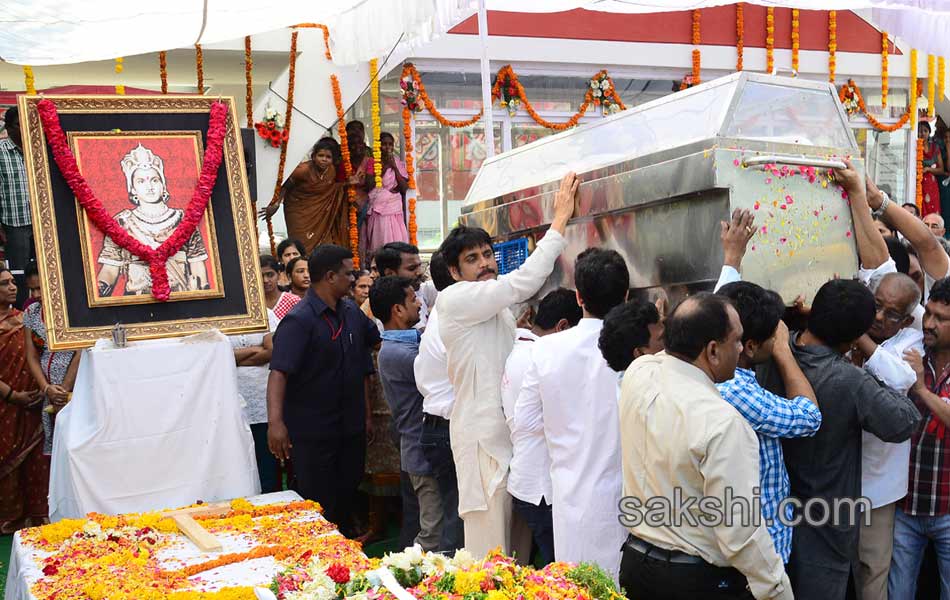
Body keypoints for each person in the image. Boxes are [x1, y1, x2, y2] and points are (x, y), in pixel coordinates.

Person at [435, 172, 577, 557]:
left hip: (511, 438)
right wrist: (560, 221)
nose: (484, 264)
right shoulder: (457, 299)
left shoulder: (495, 310)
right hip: (482, 440)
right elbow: (522, 283)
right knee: (490, 552)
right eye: (472, 259)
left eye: (486, 255)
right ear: (454, 272)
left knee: (517, 549)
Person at [754, 278, 921, 600]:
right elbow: (903, 421)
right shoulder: (849, 380)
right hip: (826, 524)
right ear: (851, 340)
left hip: (762, 519)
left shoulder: (766, 352)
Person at [618, 293, 791, 600]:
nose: (741, 349)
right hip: (694, 581)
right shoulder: (723, 422)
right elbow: (741, 533)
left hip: (635, 565)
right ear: (713, 350)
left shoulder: (638, 373)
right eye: (736, 341)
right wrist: (777, 589)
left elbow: (668, 354)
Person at [512, 248, 630, 575]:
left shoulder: (546, 350)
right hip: (627, 501)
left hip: (569, 497)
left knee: (575, 586)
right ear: (626, 295)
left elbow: (524, 423)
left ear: (578, 297)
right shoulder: (637, 351)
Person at [266, 244, 381, 534]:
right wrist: (275, 424)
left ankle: (345, 554)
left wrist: (367, 415)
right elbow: (279, 373)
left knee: (347, 490)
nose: (353, 279)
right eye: (348, 273)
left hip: (350, 427)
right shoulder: (299, 320)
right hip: (313, 432)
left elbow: (373, 347)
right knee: (318, 502)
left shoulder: (352, 313)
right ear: (330, 277)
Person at [715, 281, 821, 564]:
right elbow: (809, 417)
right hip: (759, 553)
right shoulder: (735, 390)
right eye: (773, 335)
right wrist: (784, 353)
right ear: (749, 346)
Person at [501, 288, 582, 566]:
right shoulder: (541, 356)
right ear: (563, 327)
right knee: (558, 569)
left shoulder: (519, 348)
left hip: (528, 479)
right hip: (541, 487)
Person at [887, 276, 950, 599]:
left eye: (941, 318)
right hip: (906, 505)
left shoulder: (918, 372)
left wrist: (921, 389)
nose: (930, 323)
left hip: (948, 507)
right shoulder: (909, 352)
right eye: (929, 314)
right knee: (899, 593)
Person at [371, 275, 444, 550]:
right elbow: (439, 370)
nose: (419, 305)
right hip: (421, 452)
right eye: (413, 299)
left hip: (421, 449)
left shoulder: (406, 342)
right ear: (397, 310)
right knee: (431, 533)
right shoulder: (395, 353)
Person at [96, 144, 210, 296]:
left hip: (179, 299)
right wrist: (95, 294)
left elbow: (197, 265)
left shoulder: (183, 221)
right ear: (133, 189)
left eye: (155, 180)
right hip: (135, 304)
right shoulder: (122, 223)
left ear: (163, 185)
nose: (149, 187)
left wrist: (202, 298)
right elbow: (110, 270)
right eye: (141, 181)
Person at [415, 250, 463, 552]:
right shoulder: (453, 320)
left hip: (436, 426)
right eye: (473, 259)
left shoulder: (441, 316)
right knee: (458, 517)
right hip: (446, 428)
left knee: (455, 512)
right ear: (456, 273)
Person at [0, 267, 46, 533]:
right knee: (8, 459)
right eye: (4, 284)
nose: (12, 287)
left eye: (12, 282)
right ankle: (9, 520)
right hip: (6, 405)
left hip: (33, 404)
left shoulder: (24, 319)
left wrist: (41, 387)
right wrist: (13, 395)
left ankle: (37, 516)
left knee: (35, 461)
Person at [259, 138, 353, 256]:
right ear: (313, 156)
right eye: (321, 155)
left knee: (325, 246)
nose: (324, 159)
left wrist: (348, 183)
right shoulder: (303, 170)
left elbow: (332, 188)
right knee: (301, 245)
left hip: (320, 214)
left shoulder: (331, 171)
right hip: (298, 212)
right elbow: (284, 184)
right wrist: (276, 204)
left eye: (328, 157)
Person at [22, 278, 80, 456]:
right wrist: (47, 388)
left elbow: (81, 351)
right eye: (31, 290)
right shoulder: (31, 312)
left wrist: (62, 390)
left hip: (75, 387)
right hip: (48, 390)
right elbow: (31, 354)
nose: (36, 295)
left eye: (39, 288)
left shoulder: (73, 308)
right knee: (56, 446)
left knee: (76, 443)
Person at [0, 107, 34, 308]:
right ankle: (22, 313)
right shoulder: (1, 152)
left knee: (42, 270)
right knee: (20, 273)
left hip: (41, 222)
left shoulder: (36, 149)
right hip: (14, 223)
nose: (23, 130)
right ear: (9, 128)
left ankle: (44, 310)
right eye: (18, 125)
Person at [365, 133, 410, 253]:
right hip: (379, 209)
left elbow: (404, 188)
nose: (387, 147)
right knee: (381, 239)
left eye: (390, 144)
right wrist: (385, 167)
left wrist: (394, 167)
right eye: (384, 144)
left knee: (397, 239)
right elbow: (369, 185)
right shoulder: (372, 162)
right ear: (378, 146)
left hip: (394, 207)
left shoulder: (397, 162)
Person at [375, 242, 428, 329]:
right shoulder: (387, 307)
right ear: (390, 274)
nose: (419, 272)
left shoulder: (417, 289)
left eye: (420, 266)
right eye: (412, 268)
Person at [260, 255, 301, 322]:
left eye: (270, 275)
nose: (265, 280)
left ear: (278, 275)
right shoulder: (253, 305)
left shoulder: (293, 301)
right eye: (260, 276)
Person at [920, 121, 946, 218]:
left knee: (933, 211)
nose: (922, 134)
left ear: (929, 132)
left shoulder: (935, 148)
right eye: (920, 131)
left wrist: (927, 169)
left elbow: (941, 170)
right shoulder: (914, 147)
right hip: (920, 184)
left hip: (932, 185)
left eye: (925, 131)